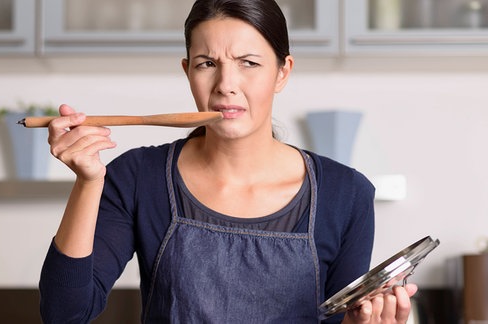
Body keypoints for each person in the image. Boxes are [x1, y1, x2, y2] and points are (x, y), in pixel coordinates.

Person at [39, 0, 417, 322]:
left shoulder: (345, 193)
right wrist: (88, 182)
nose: (225, 84)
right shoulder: (138, 177)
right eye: (207, 63)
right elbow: (64, 314)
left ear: (282, 72)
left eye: (248, 63)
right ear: (188, 72)